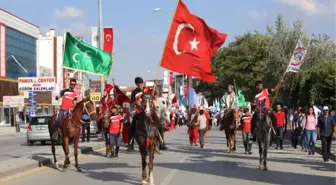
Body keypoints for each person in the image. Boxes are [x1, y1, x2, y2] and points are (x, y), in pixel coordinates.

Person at [127, 77, 144, 152]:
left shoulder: (146, 90)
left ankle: (161, 142)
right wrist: (136, 102)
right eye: (139, 83)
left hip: (147, 110)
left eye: (142, 83)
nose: (141, 84)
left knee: (158, 122)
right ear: (137, 84)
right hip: (138, 111)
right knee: (132, 126)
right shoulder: (134, 92)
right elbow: (131, 104)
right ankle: (130, 144)